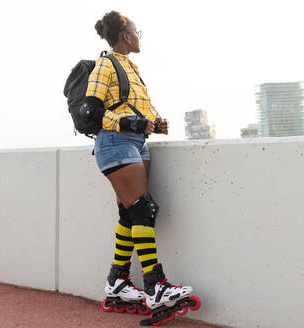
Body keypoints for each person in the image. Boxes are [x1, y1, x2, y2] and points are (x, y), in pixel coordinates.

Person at [83, 11, 196, 317]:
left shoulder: (131, 67)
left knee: (130, 213)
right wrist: (130, 124)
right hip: (115, 144)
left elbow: (132, 108)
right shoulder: (105, 65)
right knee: (143, 209)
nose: (138, 36)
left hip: (136, 145)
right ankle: (155, 285)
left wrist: (153, 123)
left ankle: (117, 281)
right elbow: (89, 112)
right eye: (136, 31)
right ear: (126, 36)